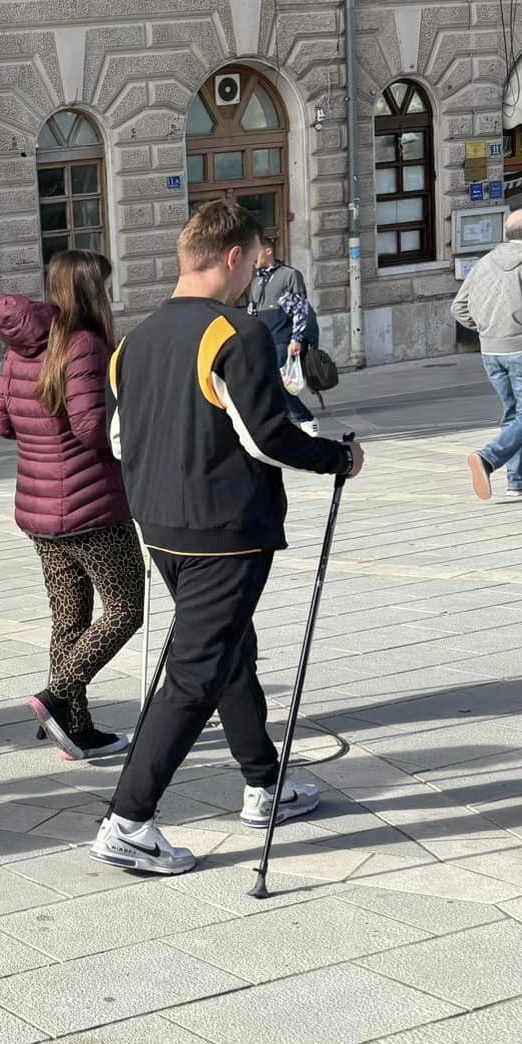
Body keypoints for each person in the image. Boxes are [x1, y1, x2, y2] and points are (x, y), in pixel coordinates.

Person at [101, 201, 362, 875]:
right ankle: (128, 821)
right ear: (232, 258)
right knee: (197, 670)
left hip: (160, 523)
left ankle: (263, 782)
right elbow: (266, 437)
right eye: (249, 263)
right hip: (225, 527)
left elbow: (120, 438)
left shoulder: (135, 339)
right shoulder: (235, 332)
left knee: (228, 649)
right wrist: (338, 458)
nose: (249, 276)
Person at [0, 251, 143, 763]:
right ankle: (57, 698)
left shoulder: (22, 350)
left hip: (38, 510)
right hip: (91, 506)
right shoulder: (84, 344)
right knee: (125, 610)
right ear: (92, 291)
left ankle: (74, 730)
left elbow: (0, 422)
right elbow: (90, 429)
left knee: (69, 617)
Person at [451, 206, 522, 500]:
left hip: (491, 352)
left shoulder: (485, 261)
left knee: (513, 414)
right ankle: (488, 458)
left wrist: (488, 329)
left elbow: (459, 308)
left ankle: (519, 481)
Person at [256, 288, 320, 435]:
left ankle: (305, 418)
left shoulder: (284, 292)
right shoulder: (259, 294)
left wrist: (306, 343)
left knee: (280, 382)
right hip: (269, 344)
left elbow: (306, 317)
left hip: (285, 345)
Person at [247, 230, 307, 313]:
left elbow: (300, 310)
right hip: (262, 326)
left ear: (268, 251)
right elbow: (252, 311)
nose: (253, 257)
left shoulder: (290, 274)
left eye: (256, 252)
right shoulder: (255, 280)